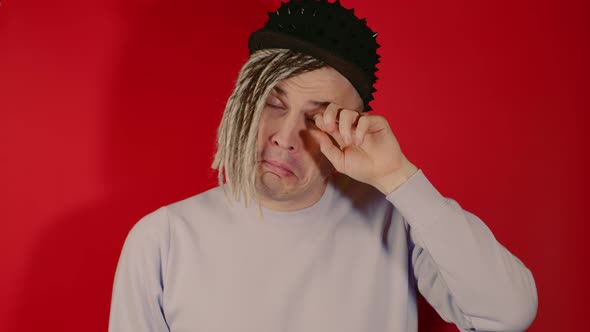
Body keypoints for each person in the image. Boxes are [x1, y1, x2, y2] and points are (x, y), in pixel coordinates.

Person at [108, 1, 538, 331]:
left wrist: (397, 177)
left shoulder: (398, 225)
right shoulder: (162, 240)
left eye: (316, 119)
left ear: (347, 129)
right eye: (273, 103)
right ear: (241, 103)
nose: (285, 136)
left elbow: (508, 314)